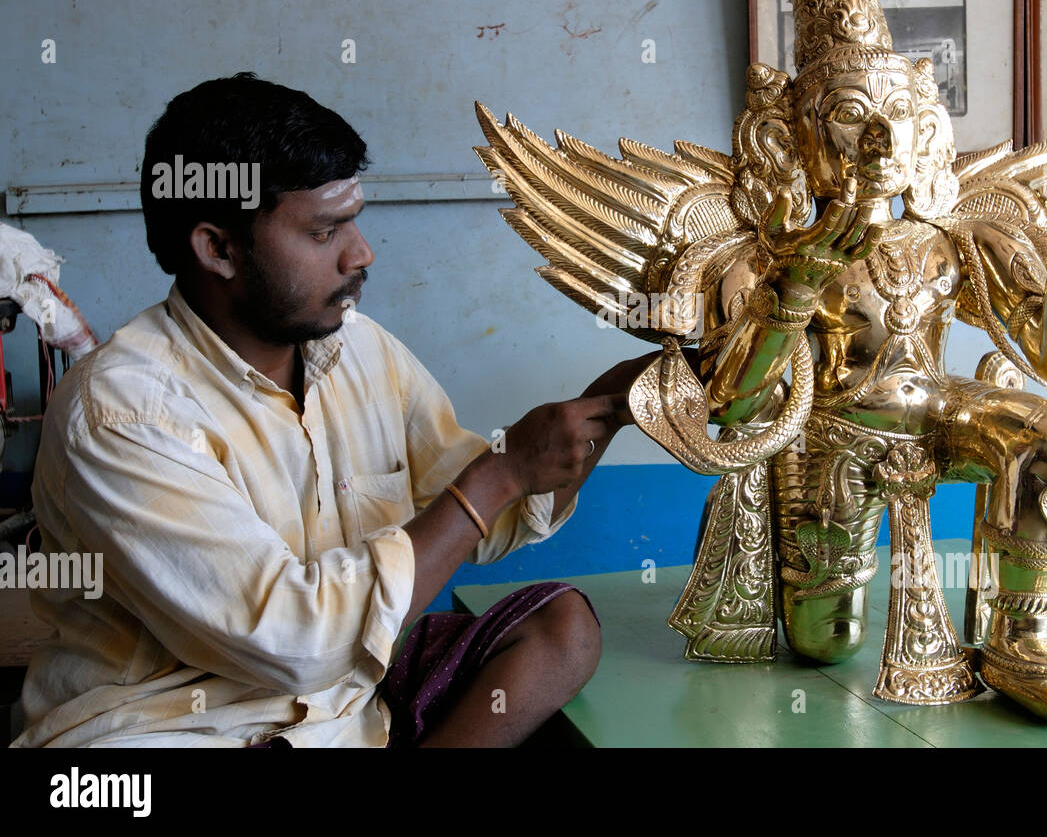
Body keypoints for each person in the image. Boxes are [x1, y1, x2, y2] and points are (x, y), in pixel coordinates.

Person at [12, 73, 648, 747]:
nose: (361, 253)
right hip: (174, 728)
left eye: (354, 220)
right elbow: (294, 641)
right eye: (324, 231)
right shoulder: (121, 410)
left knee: (560, 630)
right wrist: (499, 476)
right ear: (218, 248)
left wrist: (620, 400)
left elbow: (486, 522)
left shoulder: (357, 349)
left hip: (340, 713)